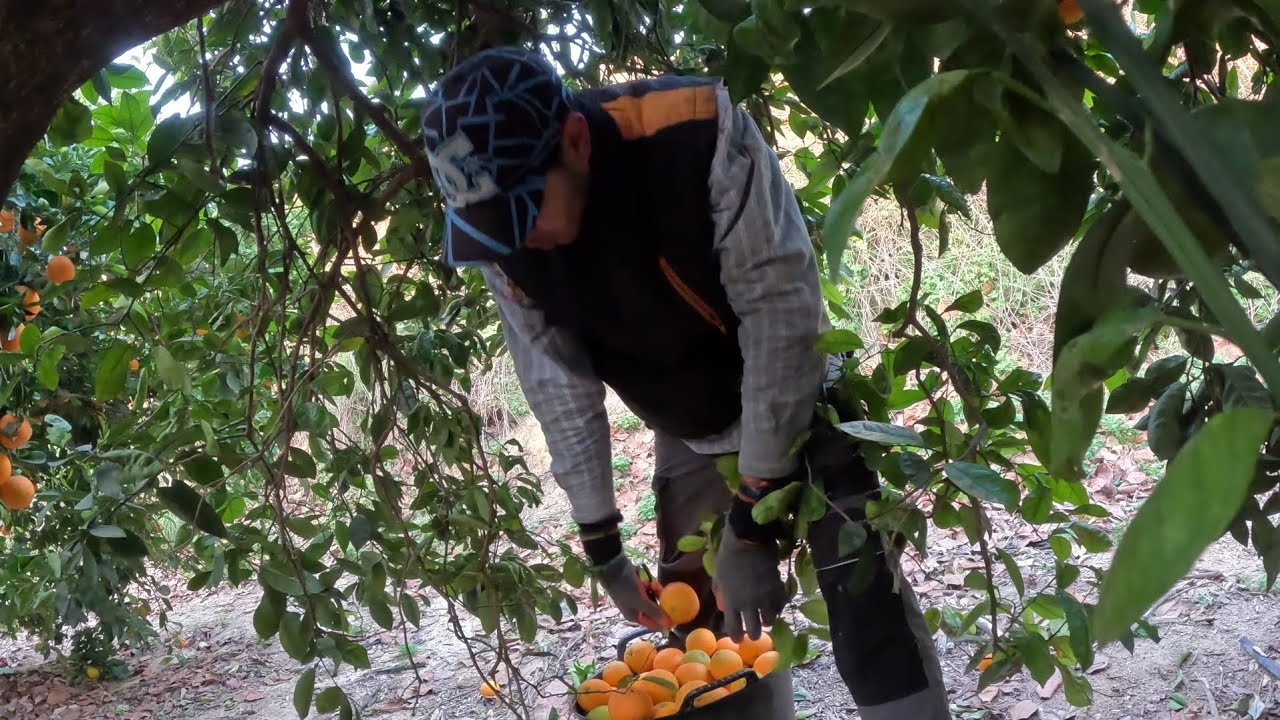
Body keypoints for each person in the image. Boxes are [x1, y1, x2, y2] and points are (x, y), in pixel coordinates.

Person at [419, 46, 951, 719]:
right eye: (494, 230)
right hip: (689, 425)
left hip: (799, 397)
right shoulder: (507, 249)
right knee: (697, 626)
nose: (515, 242)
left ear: (575, 142)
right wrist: (603, 545)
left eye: (525, 215)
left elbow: (781, 322)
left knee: (863, 600)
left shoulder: (695, 132)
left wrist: (754, 517)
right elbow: (559, 390)